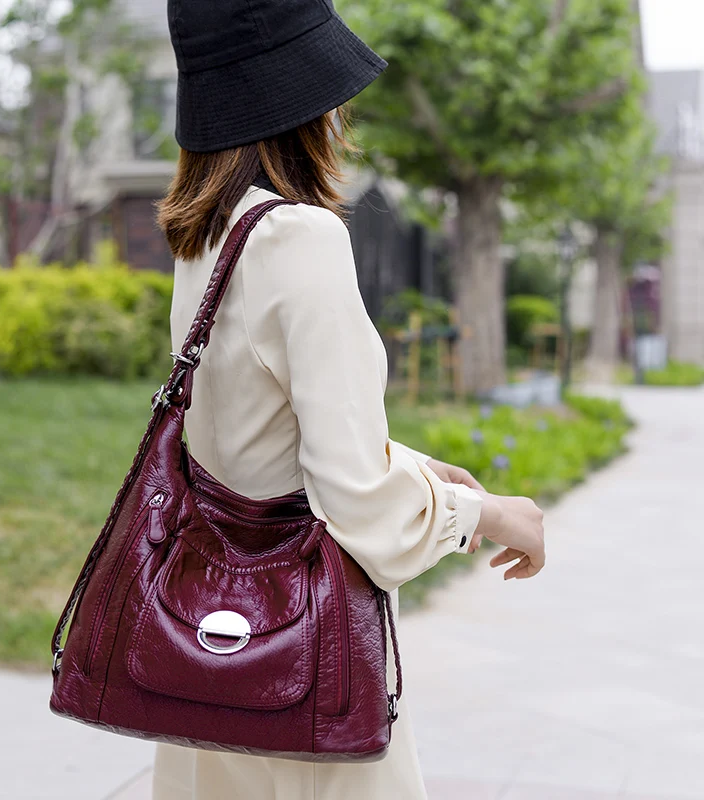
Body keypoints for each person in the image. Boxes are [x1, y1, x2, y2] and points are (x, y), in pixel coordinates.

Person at [153, 1, 545, 798]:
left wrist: (419, 469)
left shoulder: (207, 240)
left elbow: (254, 437)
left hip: (212, 642)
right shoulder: (301, 238)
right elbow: (354, 498)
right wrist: (495, 515)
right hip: (302, 662)